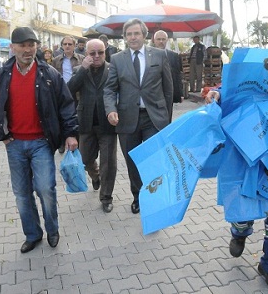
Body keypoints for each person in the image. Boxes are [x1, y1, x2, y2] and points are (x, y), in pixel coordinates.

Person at [205, 26, 268, 292]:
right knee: (244, 203)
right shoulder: (256, 69)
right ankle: (239, 232)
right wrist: (217, 92)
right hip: (248, 152)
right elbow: (232, 86)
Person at [0, 27, 78, 253]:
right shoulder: (3, 74)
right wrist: (2, 135)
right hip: (14, 144)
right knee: (21, 194)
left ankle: (52, 230)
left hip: (41, 143)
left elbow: (66, 105)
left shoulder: (49, 74)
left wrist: (71, 133)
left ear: (37, 46)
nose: (28, 49)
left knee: (46, 189)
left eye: (31, 45)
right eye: (23, 45)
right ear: (13, 47)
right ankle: (32, 234)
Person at [104, 18, 173, 214]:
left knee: (152, 159)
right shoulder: (117, 59)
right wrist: (111, 109)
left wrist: (166, 119)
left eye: (136, 33)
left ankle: (155, 197)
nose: (133, 37)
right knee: (133, 160)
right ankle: (138, 196)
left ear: (144, 35)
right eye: (129, 34)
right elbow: (109, 89)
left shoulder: (159, 56)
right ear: (125, 37)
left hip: (153, 118)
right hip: (127, 118)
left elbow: (168, 89)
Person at [68, 39, 117, 213]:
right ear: (86, 54)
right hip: (86, 122)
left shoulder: (113, 69)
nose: (96, 56)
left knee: (108, 164)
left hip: (108, 124)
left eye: (100, 52)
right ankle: (95, 176)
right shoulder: (78, 70)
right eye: (92, 53)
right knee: (85, 159)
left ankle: (106, 197)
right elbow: (70, 89)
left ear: (105, 52)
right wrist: (83, 69)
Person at [52, 36, 85, 153]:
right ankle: (62, 142)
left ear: (74, 46)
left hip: (77, 94)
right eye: (65, 44)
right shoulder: (56, 60)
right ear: (61, 46)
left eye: (70, 44)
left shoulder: (81, 59)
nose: (67, 46)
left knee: (76, 118)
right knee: (61, 117)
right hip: (61, 94)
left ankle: (78, 141)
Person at [153, 30, 184, 105]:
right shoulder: (147, 56)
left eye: (163, 39)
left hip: (169, 94)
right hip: (153, 94)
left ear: (167, 40)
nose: (161, 41)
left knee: (168, 115)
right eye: (158, 39)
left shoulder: (174, 56)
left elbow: (177, 75)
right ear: (154, 41)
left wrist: (180, 93)